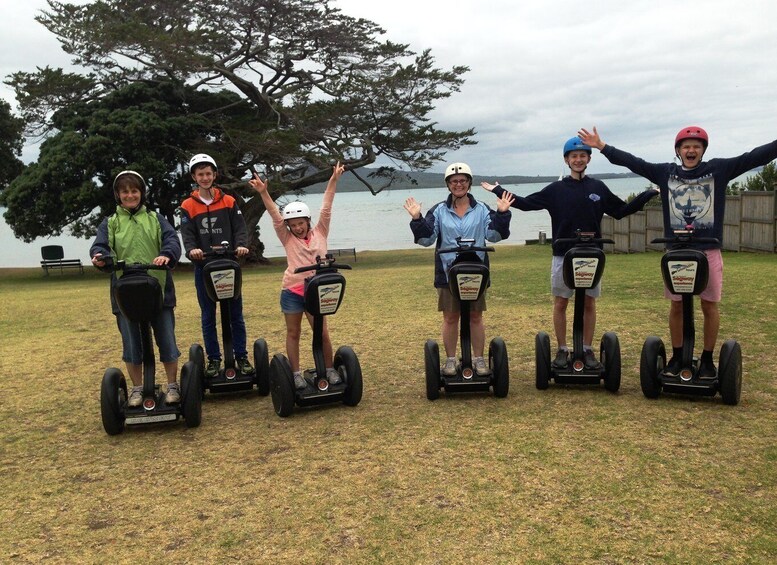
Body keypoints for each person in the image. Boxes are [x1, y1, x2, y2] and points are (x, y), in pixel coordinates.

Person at [578, 125, 777, 378]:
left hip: (708, 251)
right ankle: (676, 355)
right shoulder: (665, 173)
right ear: (678, 151)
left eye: (696, 146)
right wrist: (602, 146)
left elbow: (754, 157)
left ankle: (706, 359)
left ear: (703, 150)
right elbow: (634, 163)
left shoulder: (718, 170)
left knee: (709, 306)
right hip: (677, 254)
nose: (691, 150)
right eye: (686, 146)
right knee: (676, 307)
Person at [482, 138, 658, 370]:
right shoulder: (556, 189)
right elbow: (526, 203)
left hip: (591, 255)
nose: (578, 159)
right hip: (563, 254)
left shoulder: (598, 188)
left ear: (588, 159)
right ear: (566, 160)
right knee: (561, 302)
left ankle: (586, 348)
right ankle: (563, 348)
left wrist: (647, 194)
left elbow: (620, 211)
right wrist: (498, 190)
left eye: (582, 155)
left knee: (589, 303)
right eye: (573, 156)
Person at [404, 162, 513, 377]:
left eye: (463, 181)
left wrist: (502, 214)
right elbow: (426, 239)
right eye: (454, 181)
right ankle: (451, 359)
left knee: (475, 317)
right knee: (451, 317)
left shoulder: (481, 209)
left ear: (469, 183)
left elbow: (495, 236)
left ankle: (479, 359)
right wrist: (417, 218)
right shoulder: (439, 211)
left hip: (476, 272)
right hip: (448, 273)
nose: (458, 184)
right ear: (448, 185)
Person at [249, 162, 346, 390]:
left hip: (317, 291)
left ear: (308, 222)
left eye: (301, 223)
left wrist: (333, 180)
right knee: (294, 332)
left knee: (321, 332)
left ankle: (329, 369)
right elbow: (274, 215)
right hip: (292, 290)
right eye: (293, 225)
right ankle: (295, 374)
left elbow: (326, 207)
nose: (298, 228)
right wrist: (263, 192)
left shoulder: (321, 231)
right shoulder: (287, 237)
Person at [90, 171, 182, 406]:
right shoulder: (110, 222)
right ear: (118, 195)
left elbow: (172, 240)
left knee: (167, 340)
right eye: (125, 192)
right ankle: (137, 389)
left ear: (141, 193)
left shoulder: (155, 218)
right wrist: (100, 256)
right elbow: (100, 246)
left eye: (134, 191)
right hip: (125, 293)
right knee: (131, 344)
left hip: (158, 290)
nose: (130, 195)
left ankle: (173, 386)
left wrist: (166, 254)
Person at [180, 153, 253, 378]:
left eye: (208, 173)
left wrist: (241, 245)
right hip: (204, 267)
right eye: (200, 174)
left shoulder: (229, 201)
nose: (205, 177)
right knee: (208, 315)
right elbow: (188, 233)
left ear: (214, 175)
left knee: (235, 315)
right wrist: (192, 250)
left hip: (228, 265)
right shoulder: (188, 205)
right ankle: (213, 359)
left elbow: (240, 227)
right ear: (194, 176)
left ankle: (241, 356)